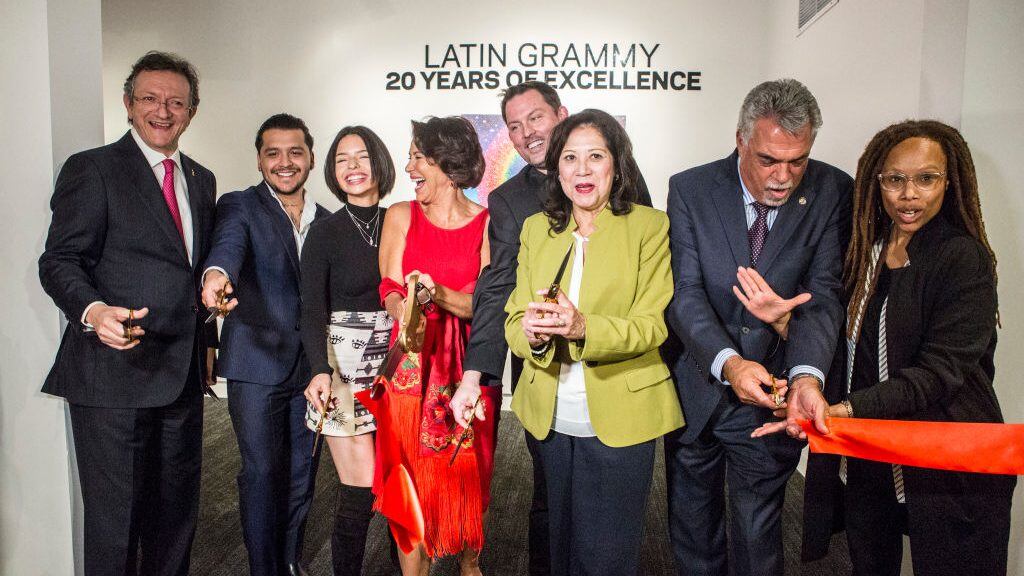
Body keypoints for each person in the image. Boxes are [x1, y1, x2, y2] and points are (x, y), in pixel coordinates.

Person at [748, 120, 1017, 576]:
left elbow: (936, 375)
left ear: (949, 182)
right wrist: (787, 326)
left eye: (926, 179)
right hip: (869, 457)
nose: (909, 195)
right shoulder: (867, 249)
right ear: (877, 181)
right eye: (895, 179)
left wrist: (840, 411)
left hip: (948, 460)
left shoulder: (962, 258)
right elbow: (857, 351)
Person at [450, 81, 652, 576]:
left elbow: (646, 266)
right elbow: (498, 288)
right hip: (544, 373)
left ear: (561, 114)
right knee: (549, 499)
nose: (527, 133)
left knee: (610, 519)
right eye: (514, 126)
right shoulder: (510, 201)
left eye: (535, 118)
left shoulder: (622, 182)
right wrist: (476, 374)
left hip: (618, 374)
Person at [662, 78, 852, 576]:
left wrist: (806, 376)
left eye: (798, 161)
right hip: (698, 388)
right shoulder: (691, 189)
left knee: (757, 534)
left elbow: (824, 297)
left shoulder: (833, 190)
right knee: (693, 530)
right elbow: (685, 294)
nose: (784, 177)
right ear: (741, 140)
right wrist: (730, 363)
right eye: (769, 160)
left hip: (775, 395)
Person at [38, 51, 216, 576]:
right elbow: (59, 260)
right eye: (150, 99)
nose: (163, 111)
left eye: (176, 103)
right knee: (116, 527)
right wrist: (94, 312)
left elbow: (192, 272)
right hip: (113, 377)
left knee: (176, 521)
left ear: (191, 112)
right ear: (128, 104)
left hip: (181, 377)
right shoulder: (93, 168)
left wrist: (208, 336)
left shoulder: (201, 179)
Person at [501, 109, 682, 576]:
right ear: (556, 169)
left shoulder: (649, 227)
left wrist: (584, 328)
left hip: (623, 414)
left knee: (606, 557)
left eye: (595, 156)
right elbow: (514, 318)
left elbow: (652, 327)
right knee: (559, 549)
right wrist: (531, 334)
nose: (582, 169)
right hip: (550, 415)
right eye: (570, 158)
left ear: (616, 165)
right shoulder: (536, 229)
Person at [201, 113, 328, 576]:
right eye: (273, 153)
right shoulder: (240, 205)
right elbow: (227, 249)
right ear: (259, 160)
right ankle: (264, 568)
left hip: (312, 368)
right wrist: (216, 277)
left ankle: (290, 559)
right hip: (256, 363)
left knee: (302, 472)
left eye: (295, 152)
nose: (284, 162)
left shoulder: (326, 220)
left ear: (310, 158)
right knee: (261, 472)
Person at [375, 116, 491, 576]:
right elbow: (389, 287)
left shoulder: (488, 223)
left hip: (470, 370)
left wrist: (436, 293)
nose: (409, 167)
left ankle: (469, 563)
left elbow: (486, 304)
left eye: (419, 157)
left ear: (449, 163)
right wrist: (405, 309)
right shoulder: (400, 215)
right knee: (407, 483)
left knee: (470, 477)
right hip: (409, 371)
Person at [301, 126, 395, 575]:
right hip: (343, 367)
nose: (353, 167)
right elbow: (310, 310)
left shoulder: (401, 220)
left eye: (362, 157)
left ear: (380, 163)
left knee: (399, 486)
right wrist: (318, 370)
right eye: (342, 159)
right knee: (359, 491)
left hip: (397, 362)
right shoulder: (324, 232)